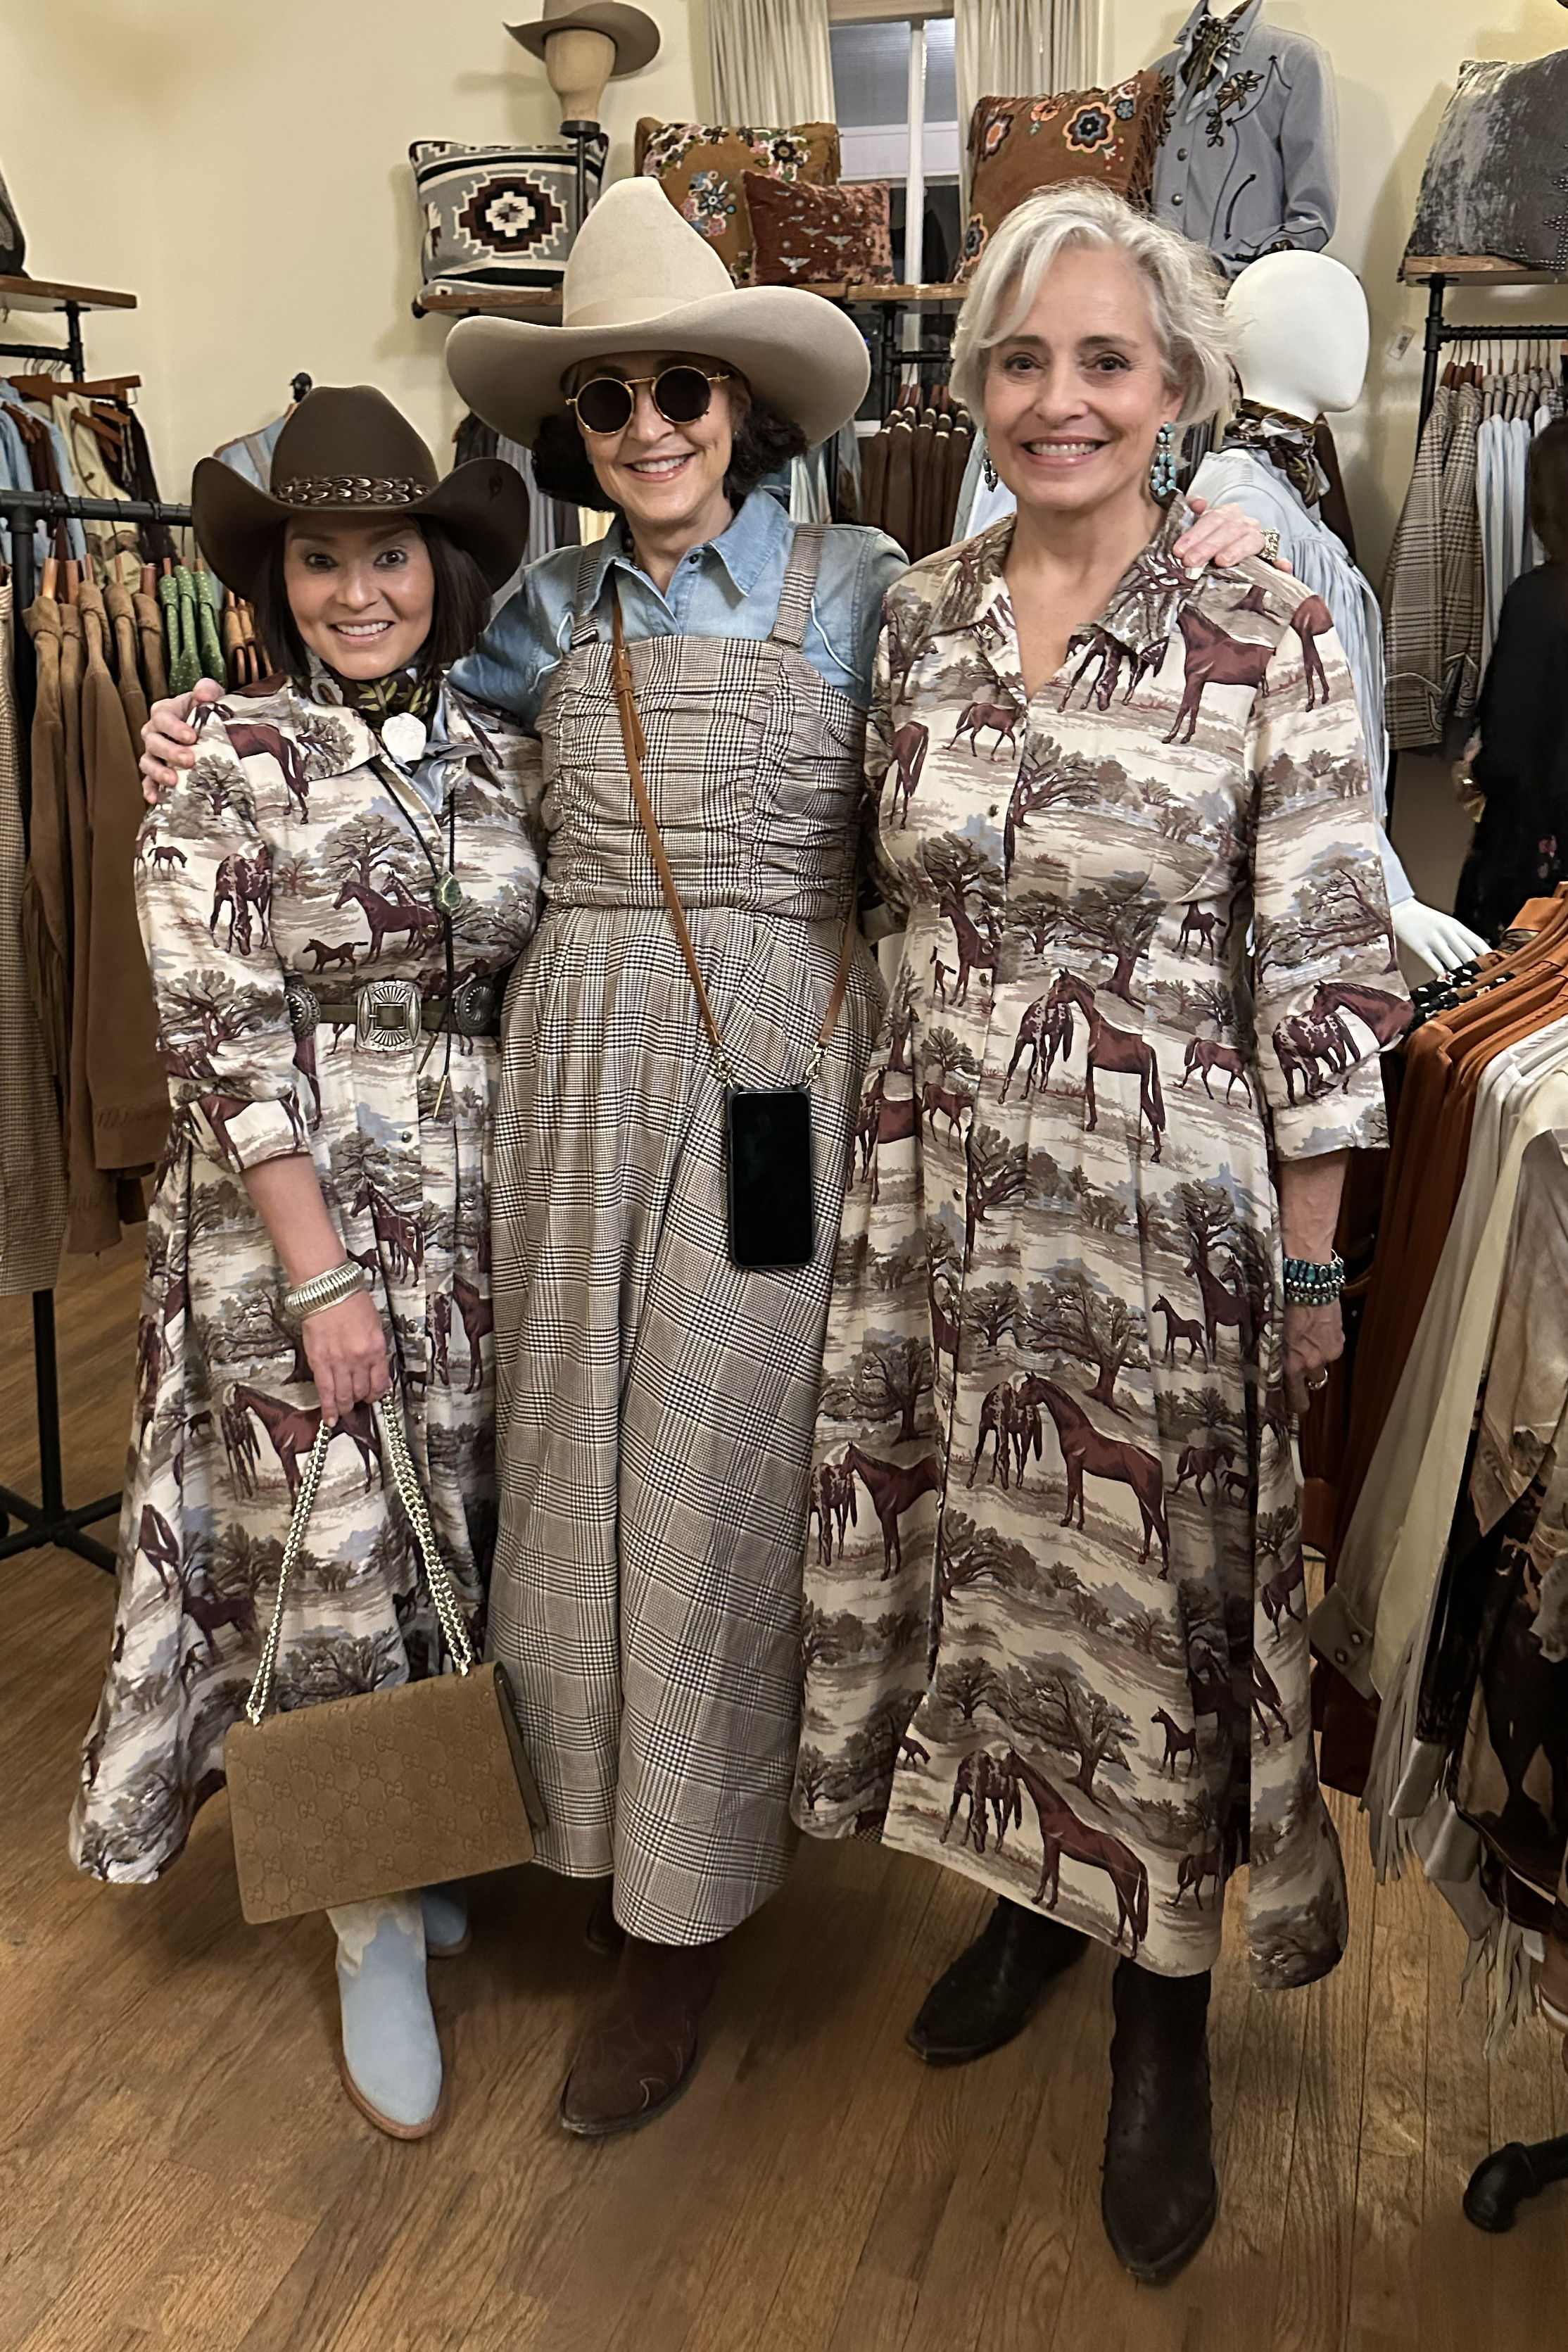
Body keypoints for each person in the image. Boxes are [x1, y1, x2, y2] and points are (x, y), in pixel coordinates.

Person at [137, 182, 1267, 2144]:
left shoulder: (876, 587)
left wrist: (1217, 519)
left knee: (720, 1474)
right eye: (605, 402)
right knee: (567, 1472)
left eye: (681, 387)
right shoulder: (540, 619)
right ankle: (562, 1837)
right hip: (565, 1078)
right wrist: (202, 731)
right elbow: (383, 731)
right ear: (568, 433)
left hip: (777, 1086)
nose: (648, 426)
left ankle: (681, 1925)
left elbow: (1048, 643)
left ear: (742, 402)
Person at [790, 182, 1410, 2284]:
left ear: (1176, 392)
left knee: (1140, 1609)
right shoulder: (924, 615)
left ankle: (1158, 2014)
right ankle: (1012, 1902)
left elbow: (1324, 955)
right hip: (935, 1195)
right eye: (1022, 360)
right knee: (985, 1575)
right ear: (972, 386)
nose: (1060, 399)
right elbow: (878, 896)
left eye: (1105, 360)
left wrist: (1315, 1269)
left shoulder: (1260, 621)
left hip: (1161, 1220)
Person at [73, 386, 538, 2142]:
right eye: (323, 558)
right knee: (332, 1539)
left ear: (443, 565)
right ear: (278, 582)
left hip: (473, 1213)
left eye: (390, 552)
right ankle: (364, 1917)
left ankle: (419, 1832)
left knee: (445, 1524)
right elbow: (217, 1024)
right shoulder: (230, 769)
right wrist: (322, 1272)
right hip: (301, 1225)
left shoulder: (497, 756)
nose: (360, 591)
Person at [1455, 417, 1568, 943]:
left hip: (1540, 871)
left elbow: (1508, 753)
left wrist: (1474, 772)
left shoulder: (1539, 600)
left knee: (1515, 1015)